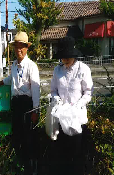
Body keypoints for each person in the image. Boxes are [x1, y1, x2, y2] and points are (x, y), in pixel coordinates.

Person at [0, 31, 40, 175]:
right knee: (18, 138)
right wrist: (0, 82)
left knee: (29, 139)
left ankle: (32, 170)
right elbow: (12, 78)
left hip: (27, 105)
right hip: (16, 104)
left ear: (27, 48)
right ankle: (22, 168)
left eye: (22, 47)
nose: (19, 50)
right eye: (16, 47)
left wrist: (35, 110)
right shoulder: (14, 65)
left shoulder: (31, 66)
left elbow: (36, 89)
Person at [49, 36, 93, 175]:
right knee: (62, 154)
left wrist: (77, 105)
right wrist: (58, 102)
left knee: (77, 155)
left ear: (74, 55)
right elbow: (53, 90)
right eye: (63, 57)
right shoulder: (57, 70)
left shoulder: (83, 69)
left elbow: (88, 92)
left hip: (77, 118)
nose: (65, 60)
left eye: (68, 57)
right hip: (62, 118)